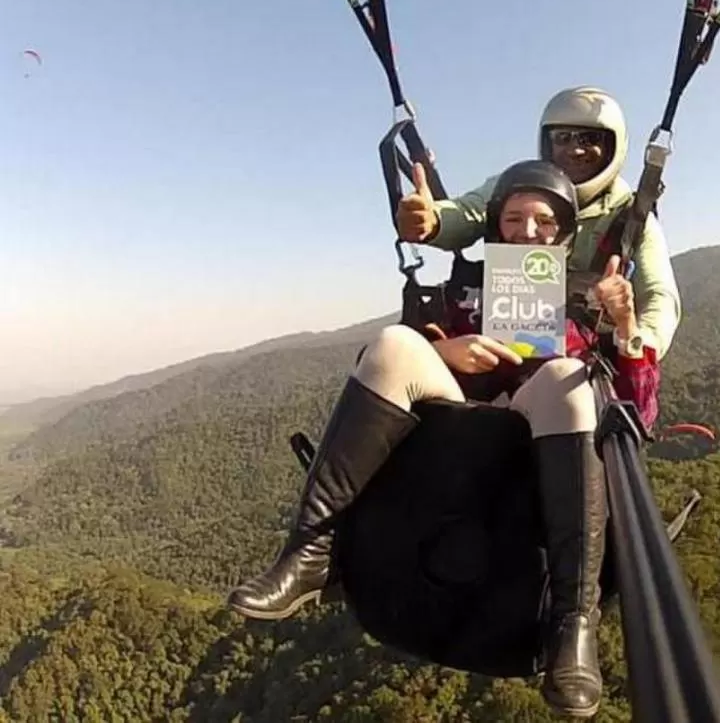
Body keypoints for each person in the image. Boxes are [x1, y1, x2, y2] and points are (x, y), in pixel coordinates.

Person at [227, 159, 659, 719]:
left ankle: (572, 622)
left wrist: (623, 327)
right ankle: (310, 550)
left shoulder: (587, 311)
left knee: (569, 379)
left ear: (566, 235)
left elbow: (638, 410)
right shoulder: (464, 296)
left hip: (536, 457)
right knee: (391, 343)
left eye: (545, 223)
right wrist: (444, 351)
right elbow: (389, 369)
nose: (528, 232)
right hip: (452, 453)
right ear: (494, 229)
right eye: (513, 219)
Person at [396, 85, 681, 365]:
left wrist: (636, 344)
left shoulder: (631, 216)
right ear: (547, 143)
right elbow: (467, 212)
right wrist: (432, 220)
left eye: (589, 139)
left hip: (583, 359)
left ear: (613, 146)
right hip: (500, 348)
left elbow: (659, 296)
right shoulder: (516, 186)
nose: (575, 150)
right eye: (563, 138)